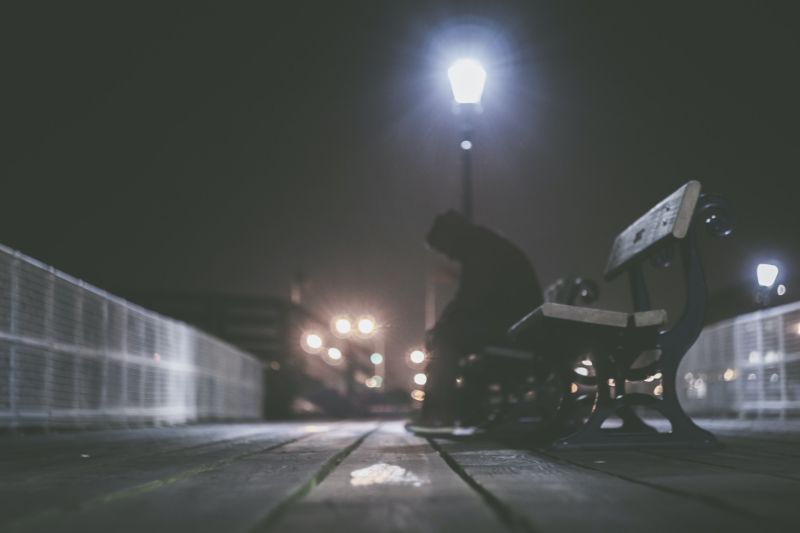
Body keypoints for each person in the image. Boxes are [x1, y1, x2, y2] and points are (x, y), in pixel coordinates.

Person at [408, 210, 543, 435]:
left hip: (515, 330)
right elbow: (473, 299)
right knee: (448, 334)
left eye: (445, 249)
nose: (449, 256)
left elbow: (471, 299)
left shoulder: (481, 249)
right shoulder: (486, 244)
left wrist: (441, 325)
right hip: (517, 325)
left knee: (445, 338)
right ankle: (446, 412)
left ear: (450, 236)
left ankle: (438, 414)